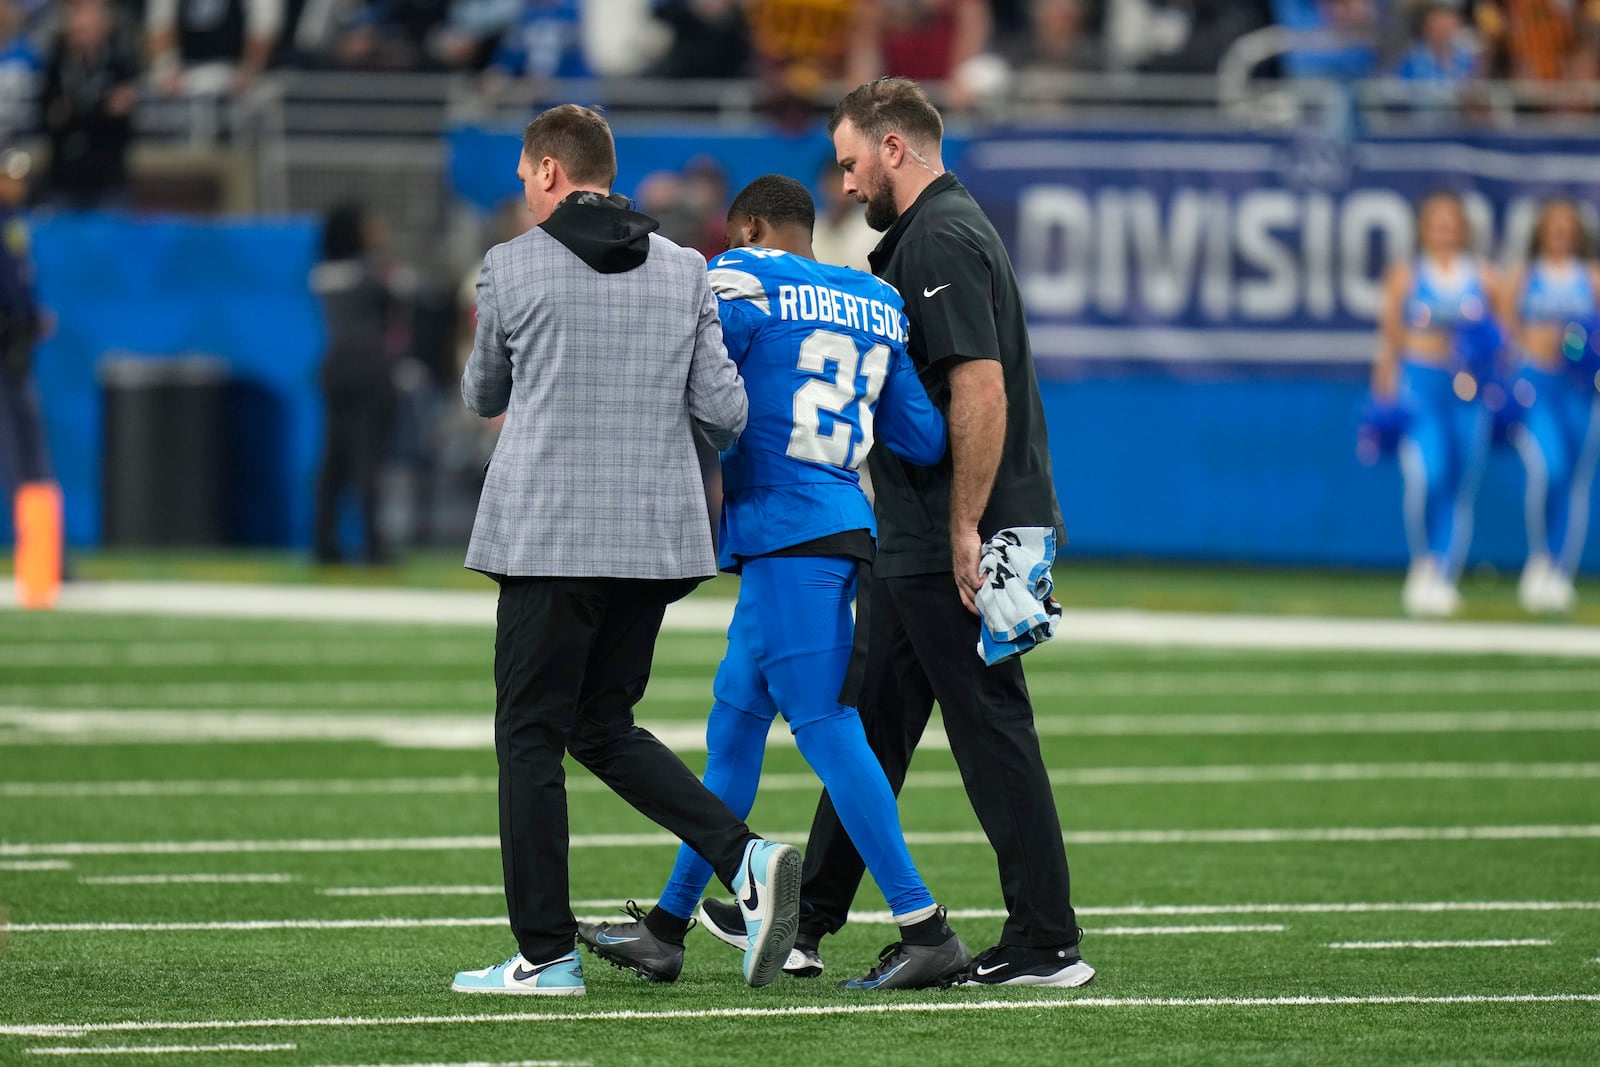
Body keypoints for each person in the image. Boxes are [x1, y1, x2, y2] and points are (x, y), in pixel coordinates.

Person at [576, 173, 969, 991]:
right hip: (827, 519)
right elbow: (923, 437)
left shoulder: (738, 277)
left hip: (791, 528)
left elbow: (690, 372)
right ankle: (668, 926)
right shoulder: (871, 294)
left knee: (825, 723)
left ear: (748, 227)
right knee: (736, 723)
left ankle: (924, 924)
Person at [749, 76, 1093, 989]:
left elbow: (979, 388)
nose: (848, 184)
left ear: (894, 146)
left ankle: (1046, 940)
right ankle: (810, 917)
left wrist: (964, 527)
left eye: (853, 161)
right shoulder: (936, 229)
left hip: (956, 529)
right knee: (876, 720)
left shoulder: (938, 234)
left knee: (988, 724)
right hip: (923, 528)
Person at [452, 104, 801, 996]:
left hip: (549, 532)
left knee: (530, 738)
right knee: (600, 725)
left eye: (526, 174)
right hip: (653, 538)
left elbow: (480, 389)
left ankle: (546, 953)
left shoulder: (512, 263)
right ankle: (744, 853)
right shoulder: (688, 269)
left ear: (547, 173)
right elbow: (725, 415)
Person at [1373, 191, 1501, 617]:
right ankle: (1423, 563)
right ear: (1423, 228)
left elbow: (1502, 342)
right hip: (1420, 388)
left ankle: (1444, 574)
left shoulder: (1483, 276)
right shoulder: (1405, 276)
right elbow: (1390, 341)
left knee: (1458, 486)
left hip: (1467, 393)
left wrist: (1493, 373)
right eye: (1436, 221)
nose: (1444, 229)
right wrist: (1383, 394)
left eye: (1452, 221)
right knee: (1426, 477)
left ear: (1463, 229)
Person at [1495, 198, 1600, 614]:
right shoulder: (1522, 276)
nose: (1559, 231)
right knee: (1549, 466)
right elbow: (1503, 333)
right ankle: (1540, 557)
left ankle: (1559, 570)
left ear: (1577, 232)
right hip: (1533, 384)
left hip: (1577, 390)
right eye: (1552, 224)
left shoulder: (1592, 278)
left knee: (1574, 479)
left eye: (1567, 224)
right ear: (1539, 231)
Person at [311, 202, 400, 567]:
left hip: (336, 369)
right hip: (370, 369)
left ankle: (325, 541)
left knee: (334, 459)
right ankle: (373, 545)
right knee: (368, 459)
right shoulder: (372, 273)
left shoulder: (322, 274)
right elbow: (392, 306)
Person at [37, 0, 139, 210]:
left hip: (108, 177)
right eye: (78, 30)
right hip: (65, 176)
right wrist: (101, 109)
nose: (82, 38)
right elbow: (50, 119)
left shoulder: (119, 65)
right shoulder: (55, 68)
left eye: (88, 29)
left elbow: (123, 121)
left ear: (103, 29)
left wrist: (75, 113)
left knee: (112, 238)